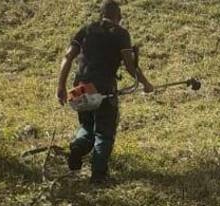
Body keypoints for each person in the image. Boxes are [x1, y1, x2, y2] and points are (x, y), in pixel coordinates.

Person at [56, 0, 153, 184]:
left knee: (86, 126)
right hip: (103, 90)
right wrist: (146, 84)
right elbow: (130, 66)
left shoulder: (86, 30)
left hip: (80, 88)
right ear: (119, 17)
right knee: (104, 132)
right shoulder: (120, 33)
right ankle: (99, 176)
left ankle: (77, 148)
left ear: (100, 15)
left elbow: (68, 57)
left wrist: (60, 87)